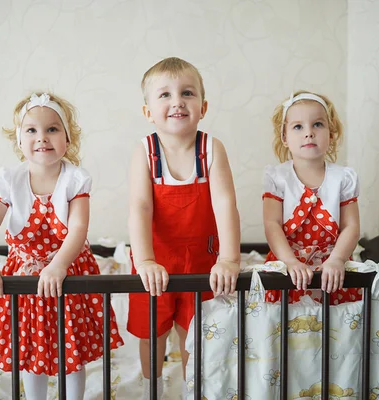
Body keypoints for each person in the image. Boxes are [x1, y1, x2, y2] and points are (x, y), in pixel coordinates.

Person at [0, 92, 123, 400]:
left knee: (72, 348)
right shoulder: (9, 180)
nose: (42, 137)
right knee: (30, 348)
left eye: (52, 129)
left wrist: (58, 265)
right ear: (18, 140)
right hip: (25, 276)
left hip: (68, 271)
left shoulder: (74, 179)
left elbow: (79, 228)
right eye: (31, 130)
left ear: (68, 139)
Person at [127, 57, 241, 399]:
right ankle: (153, 387)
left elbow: (225, 204)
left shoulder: (210, 149)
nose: (177, 101)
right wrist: (145, 261)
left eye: (187, 93)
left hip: (202, 264)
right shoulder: (145, 152)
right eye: (164, 95)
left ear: (202, 107)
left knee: (196, 333)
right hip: (155, 261)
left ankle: (193, 388)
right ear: (148, 111)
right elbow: (140, 207)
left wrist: (230, 259)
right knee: (151, 333)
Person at [263, 90, 361, 305]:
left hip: (332, 265)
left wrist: (337, 259)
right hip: (289, 264)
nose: (309, 133)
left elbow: (351, 227)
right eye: (298, 126)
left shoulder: (343, 177)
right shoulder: (278, 177)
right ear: (284, 138)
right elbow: (272, 224)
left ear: (331, 133)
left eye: (317, 124)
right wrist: (289, 261)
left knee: (338, 325)